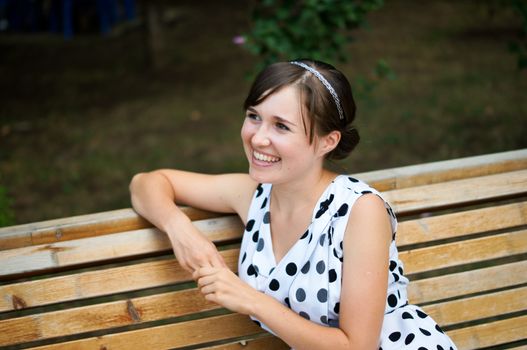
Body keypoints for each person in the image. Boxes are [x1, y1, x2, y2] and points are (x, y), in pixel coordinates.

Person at [129, 59, 457, 350]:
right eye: (254, 117)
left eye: (281, 126)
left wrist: (252, 301)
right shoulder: (253, 195)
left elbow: (357, 347)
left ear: (327, 142)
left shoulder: (360, 211)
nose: (258, 138)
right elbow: (146, 184)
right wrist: (181, 231)